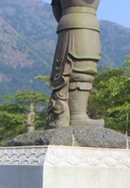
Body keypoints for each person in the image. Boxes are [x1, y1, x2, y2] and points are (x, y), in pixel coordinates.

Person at [46, 0, 104, 128]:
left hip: (68, 22)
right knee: (83, 70)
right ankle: (78, 115)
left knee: (72, 69)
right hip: (83, 23)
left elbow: (56, 6)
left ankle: (72, 114)